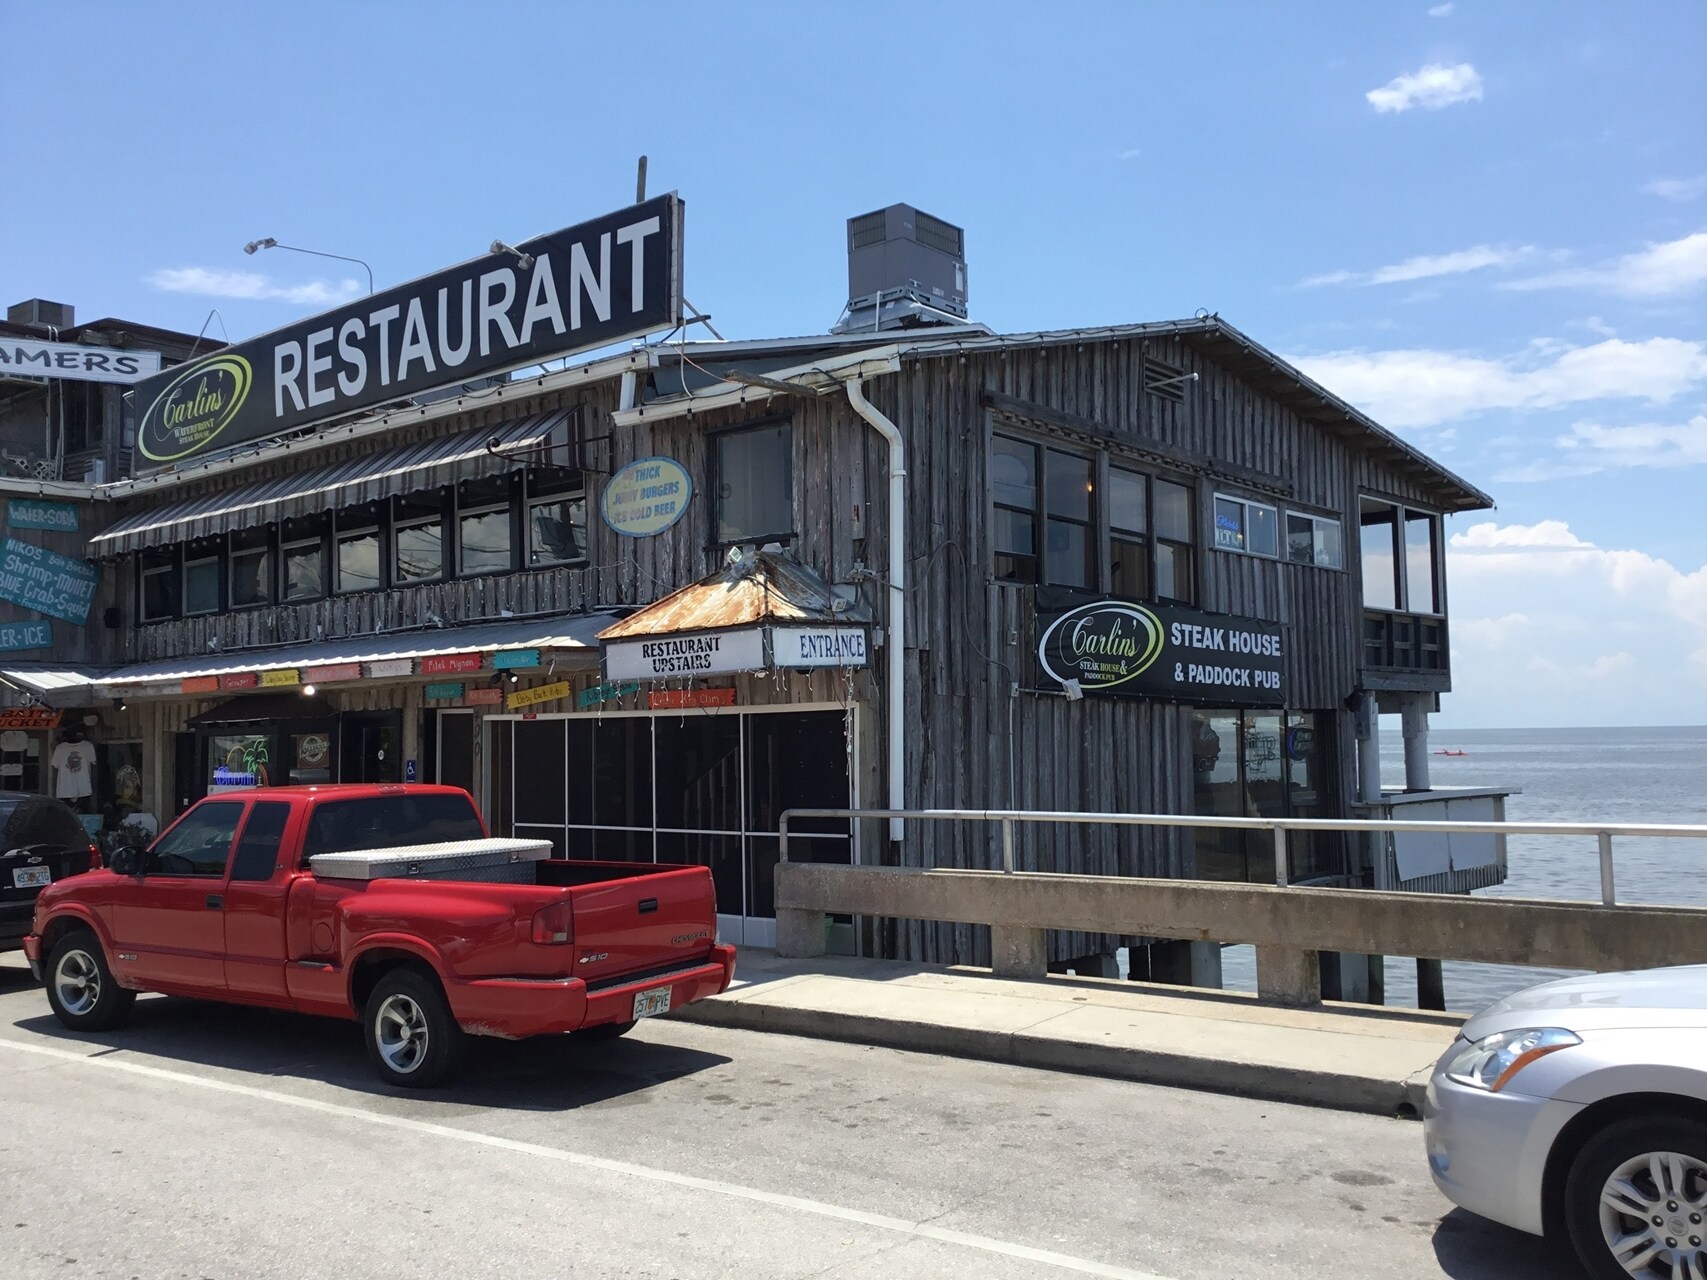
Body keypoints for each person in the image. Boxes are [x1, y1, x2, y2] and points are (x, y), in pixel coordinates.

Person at [50, 728, 96, 813]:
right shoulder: (60, 748)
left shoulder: (87, 746)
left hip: (74, 789)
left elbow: (55, 766)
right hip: (74, 788)